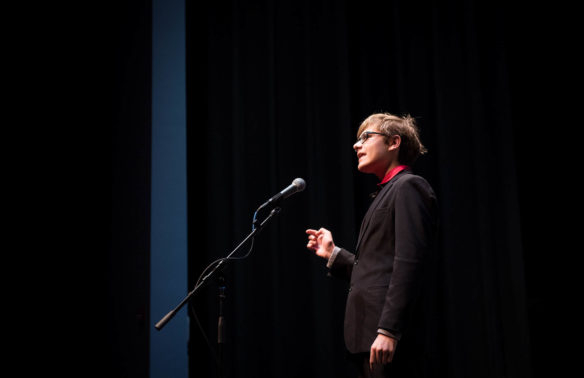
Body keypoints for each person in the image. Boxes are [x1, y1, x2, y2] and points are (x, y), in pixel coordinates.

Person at [306, 113, 438, 377]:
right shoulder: (386, 192)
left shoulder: (409, 187)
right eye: (357, 140)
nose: (357, 145)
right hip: (366, 336)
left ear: (393, 143)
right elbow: (378, 268)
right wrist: (334, 254)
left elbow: (408, 264)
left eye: (366, 137)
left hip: (386, 337)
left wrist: (389, 330)